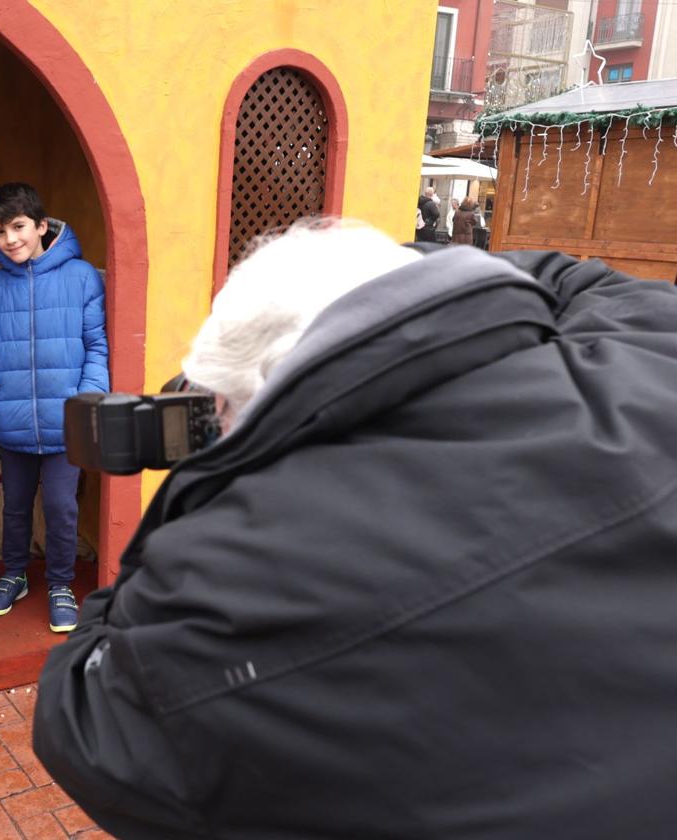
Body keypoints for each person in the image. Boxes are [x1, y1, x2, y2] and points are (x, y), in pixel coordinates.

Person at [33, 219, 677, 838]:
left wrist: (202, 470)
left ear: (240, 403)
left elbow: (77, 712)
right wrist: (387, 280)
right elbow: (572, 278)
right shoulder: (648, 363)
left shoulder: (238, 585)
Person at [0, 182, 109, 633]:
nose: (11, 239)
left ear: (43, 226)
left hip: (66, 424)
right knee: (16, 505)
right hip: (12, 421)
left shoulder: (82, 277)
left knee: (63, 507)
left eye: (19, 227)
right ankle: (13, 574)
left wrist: (82, 405)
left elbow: (96, 346)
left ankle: (61, 583)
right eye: (0, 231)